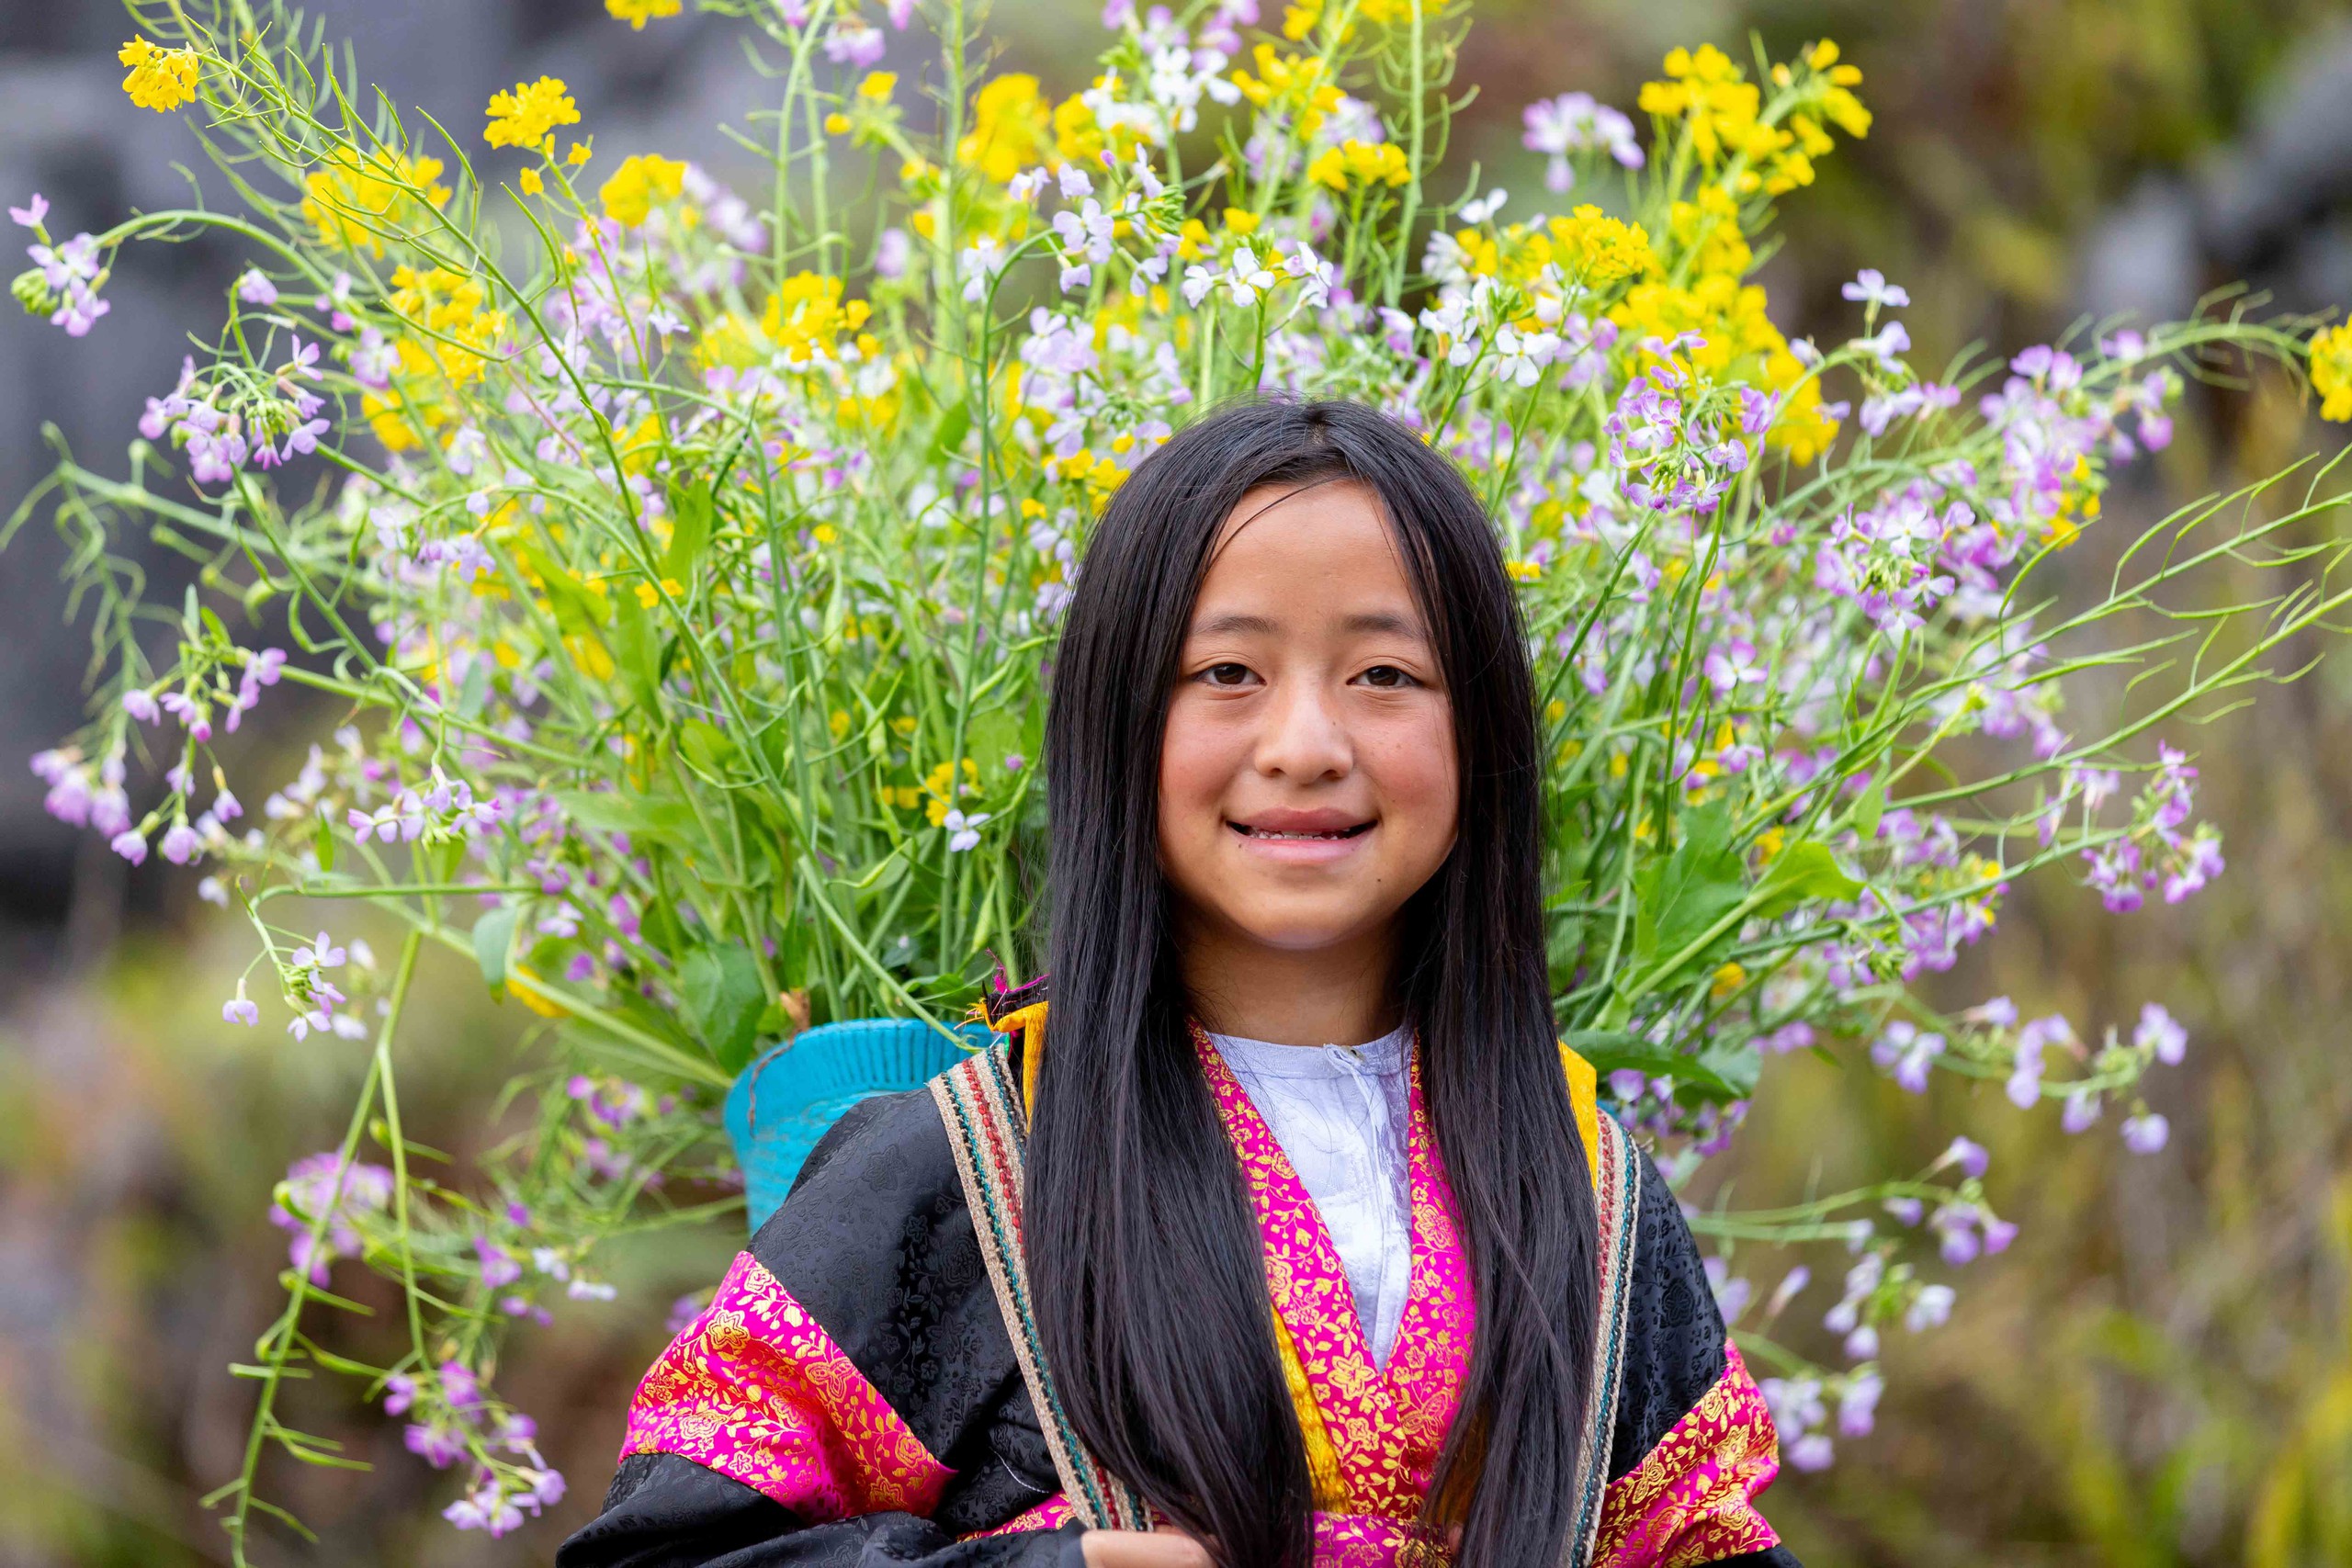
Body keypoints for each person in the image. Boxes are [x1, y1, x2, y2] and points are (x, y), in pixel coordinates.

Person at [557, 398, 1793, 1568]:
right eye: (1226, 675)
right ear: (1117, 729)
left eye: (1386, 677)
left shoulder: (1590, 1191)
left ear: (1485, 740)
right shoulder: (971, 1170)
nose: (1305, 747)